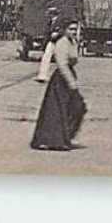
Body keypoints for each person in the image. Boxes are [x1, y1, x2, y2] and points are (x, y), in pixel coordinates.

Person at [31, 19, 86, 151]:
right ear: (64, 30)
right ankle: (53, 140)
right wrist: (72, 83)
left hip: (68, 77)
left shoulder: (72, 42)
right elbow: (62, 65)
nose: (73, 31)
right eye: (70, 29)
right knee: (59, 110)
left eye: (75, 29)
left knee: (71, 109)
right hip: (61, 80)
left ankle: (63, 137)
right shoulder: (62, 43)